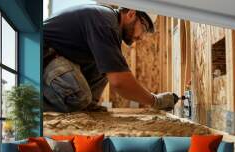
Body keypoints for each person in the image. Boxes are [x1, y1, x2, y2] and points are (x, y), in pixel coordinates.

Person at [43, 4, 177, 112]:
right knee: (79, 97)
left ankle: (85, 106)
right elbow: (119, 82)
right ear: (131, 13)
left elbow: (117, 71)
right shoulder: (105, 22)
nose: (141, 37)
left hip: (60, 57)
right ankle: (32, 101)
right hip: (41, 55)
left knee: (109, 65)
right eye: (144, 28)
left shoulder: (109, 22)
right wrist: (155, 101)